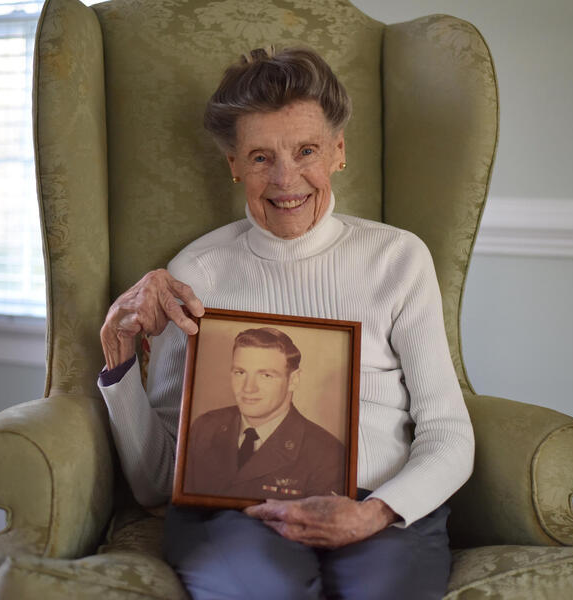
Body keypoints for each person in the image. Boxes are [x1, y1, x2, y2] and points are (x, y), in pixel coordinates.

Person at [98, 46, 474, 600]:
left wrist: (375, 514)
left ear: (338, 151)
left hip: (379, 504)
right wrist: (118, 351)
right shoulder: (194, 272)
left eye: (305, 151)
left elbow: (448, 433)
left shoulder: (399, 258)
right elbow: (156, 475)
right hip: (233, 513)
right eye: (259, 157)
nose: (285, 178)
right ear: (233, 164)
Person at [184, 327, 345, 499]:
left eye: (266, 375)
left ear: (293, 380)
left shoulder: (327, 454)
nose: (248, 388)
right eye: (240, 372)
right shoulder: (205, 428)